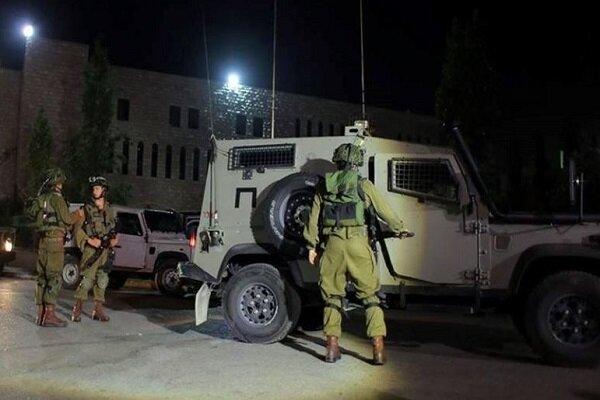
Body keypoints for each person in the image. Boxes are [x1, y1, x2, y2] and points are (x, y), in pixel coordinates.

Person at [303, 143, 407, 365]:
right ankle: (378, 349)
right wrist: (399, 228)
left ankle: (332, 348)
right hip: (359, 244)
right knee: (370, 297)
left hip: (332, 246)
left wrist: (312, 246)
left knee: (332, 297)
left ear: (337, 161)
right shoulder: (363, 184)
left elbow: (313, 219)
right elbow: (384, 210)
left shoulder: (323, 186)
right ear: (356, 163)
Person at [32, 168, 83, 327]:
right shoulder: (58, 199)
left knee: (42, 277)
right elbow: (67, 220)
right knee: (54, 276)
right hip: (55, 242)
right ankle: (49, 315)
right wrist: (79, 214)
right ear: (58, 183)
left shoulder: (42, 198)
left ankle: (40, 314)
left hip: (42, 242)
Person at [71, 176, 118, 323]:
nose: (94, 191)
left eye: (97, 188)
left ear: (104, 190)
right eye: (93, 188)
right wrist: (89, 240)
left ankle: (98, 310)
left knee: (103, 280)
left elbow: (114, 229)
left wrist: (115, 239)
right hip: (91, 251)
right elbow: (77, 230)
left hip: (106, 251)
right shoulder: (85, 210)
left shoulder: (111, 210)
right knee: (87, 281)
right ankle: (77, 309)